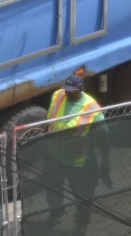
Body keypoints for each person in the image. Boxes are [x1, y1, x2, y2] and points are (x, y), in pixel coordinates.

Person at [44, 74, 110, 231]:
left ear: (80, 90)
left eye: (71, 91)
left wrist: (106, 161)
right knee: (52, 188)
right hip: (54, 156)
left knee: (83, 195)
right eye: (66, 90)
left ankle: (81, 224)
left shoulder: (92, 109)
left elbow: (105, 136)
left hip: (79, 163)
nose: (67, 93)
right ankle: (56, 212)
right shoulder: (58, 95)